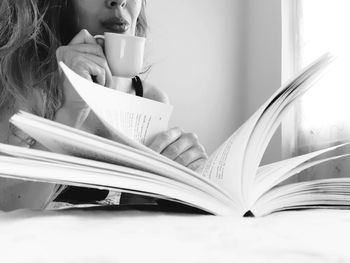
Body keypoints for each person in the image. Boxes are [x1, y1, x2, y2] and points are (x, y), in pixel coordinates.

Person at [0, 0, 208, 211]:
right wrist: (71, 112)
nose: (119, 1)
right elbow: (8, 206)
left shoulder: (150, 99)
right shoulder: (27, 86)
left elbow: (136, 219)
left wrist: (179, 186)